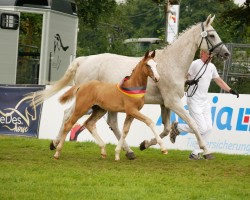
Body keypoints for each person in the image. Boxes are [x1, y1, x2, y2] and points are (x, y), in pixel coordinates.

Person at [170, 50, 239, 160]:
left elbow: (219, 81)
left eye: (211, 54)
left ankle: (194, 152)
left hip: (204, 102)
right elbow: (182, 77)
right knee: (202, 128)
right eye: (208, 54)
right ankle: (178, 128)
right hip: (194, 100)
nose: (210, 56)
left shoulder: (211, 66)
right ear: (202, 54)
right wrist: (188, 82)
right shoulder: (195, 64)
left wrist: (230, 90)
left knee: (209, 128)